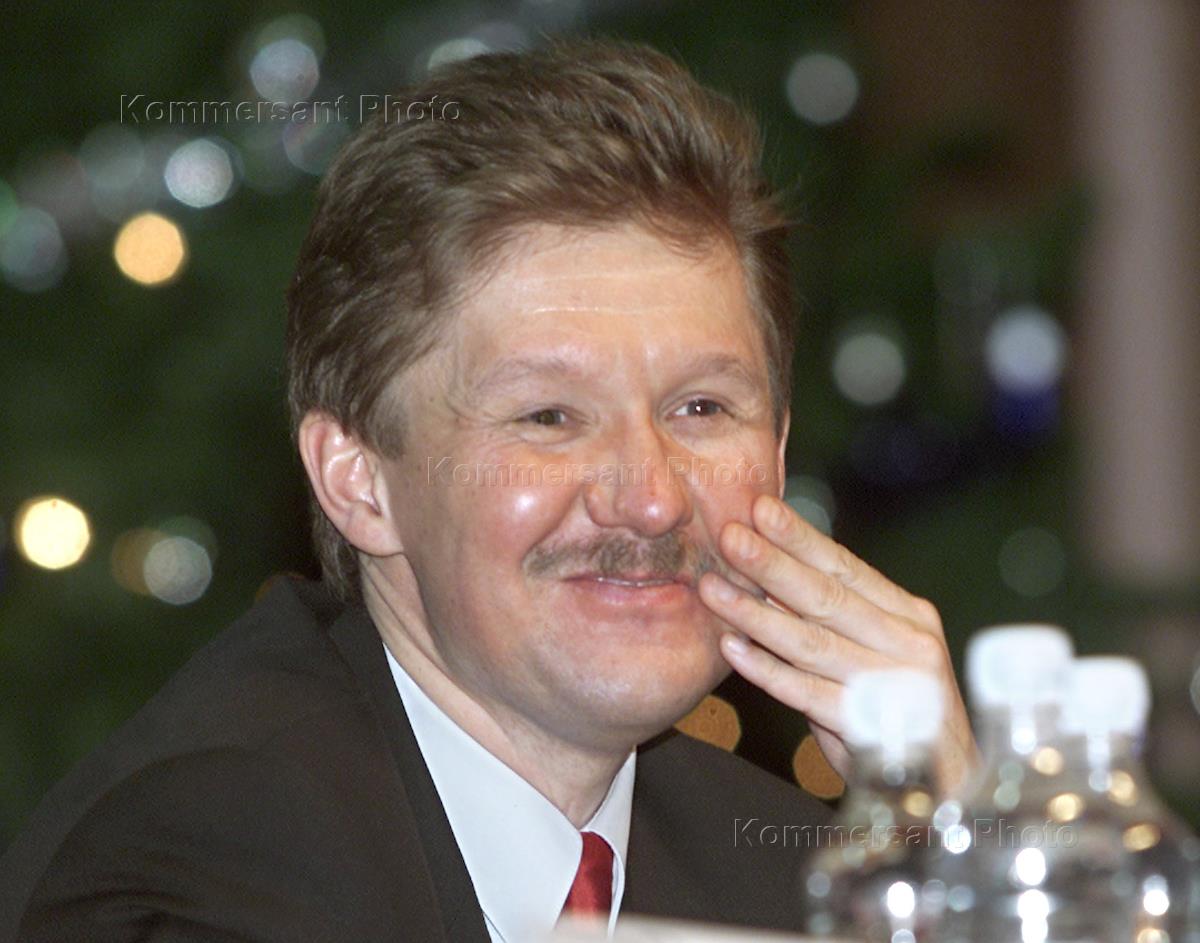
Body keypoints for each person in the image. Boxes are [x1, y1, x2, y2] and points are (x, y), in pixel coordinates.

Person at [0, 38, 976, 941]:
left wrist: (981, 866)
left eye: (701, 408)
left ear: (781, 447)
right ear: (359, 480)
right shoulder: (198, 876)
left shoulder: (793, 870)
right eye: (548, 415)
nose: (651, 500)